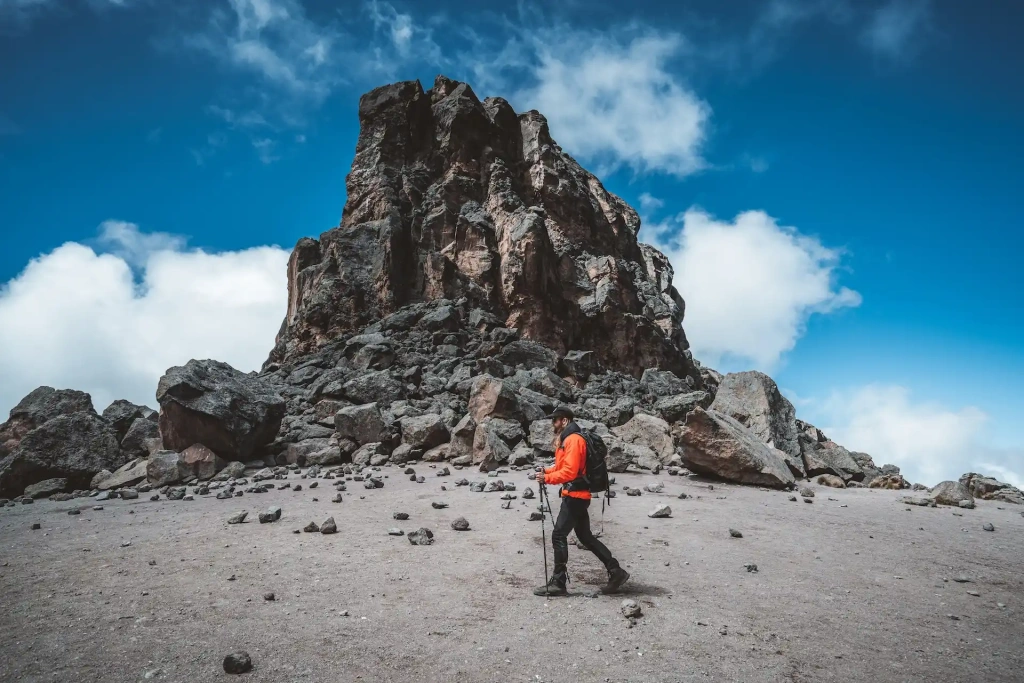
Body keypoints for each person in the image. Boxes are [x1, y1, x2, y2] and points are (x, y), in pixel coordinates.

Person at [533, 407, 630, 596]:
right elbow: (563, 467)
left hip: (575, 496)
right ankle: (616, 571)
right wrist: (547, 471)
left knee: (558, 535)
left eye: (555, 420)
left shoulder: (574, 440)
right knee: (585, 537)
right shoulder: (569, 439)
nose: (553, 423)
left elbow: (570, 472)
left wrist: (547, 479)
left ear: (565, 420)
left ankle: (559, 583)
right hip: (576, 495)